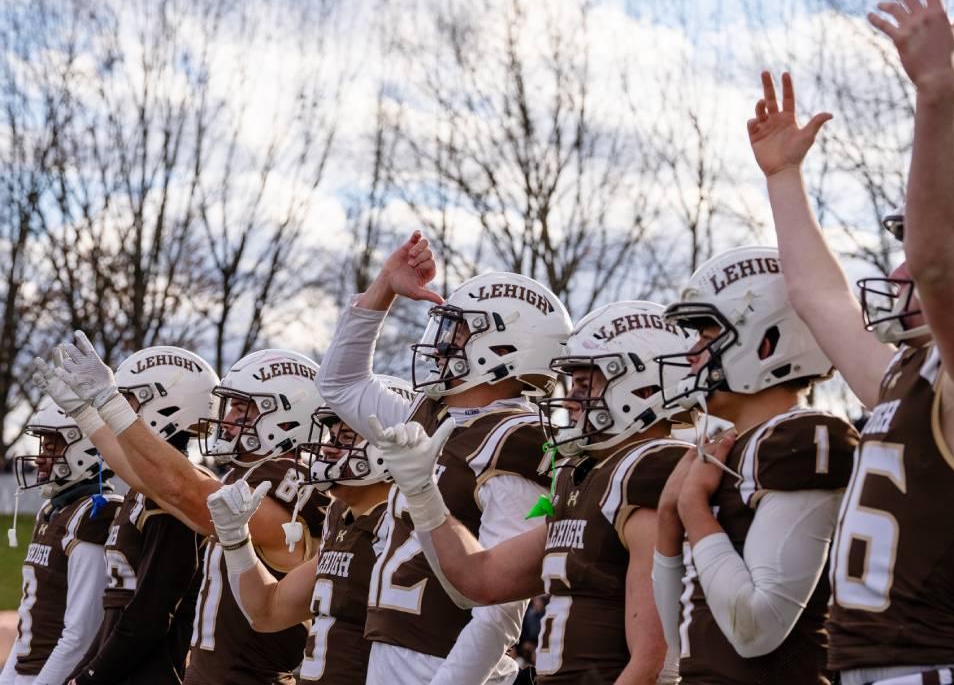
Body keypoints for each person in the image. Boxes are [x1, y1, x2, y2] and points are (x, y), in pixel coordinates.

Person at [750, 0, 954, 684]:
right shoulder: (916, 375)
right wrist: (783, 182)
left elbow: (938, 264)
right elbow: (819, 297)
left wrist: (936, 96)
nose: (898, 276)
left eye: (912, 259)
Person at [369, 300, 695, 684]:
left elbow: (655, 661)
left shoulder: (648, 472)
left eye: (586, 384)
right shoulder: (588, 480)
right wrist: (422, 491)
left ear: (644, 389)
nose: (571, 399)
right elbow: (481, 580)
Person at [315, 231, 573, 685]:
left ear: (503, 349)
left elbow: (500, 611)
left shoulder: (514, 438)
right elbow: (339, 383)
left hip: (447, 666)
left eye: (458, 329)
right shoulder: (431, 416)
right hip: (396, 659)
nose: (440, 341)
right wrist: (384, 288)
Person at [36, 335, 329, 685]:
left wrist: (112, 404)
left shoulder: (287, 481)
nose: (228, 418)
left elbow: (184, 491)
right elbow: (151, 483)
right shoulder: (247, 476)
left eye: (243, 409)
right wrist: (87, 412)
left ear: (287, 417)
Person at [652, 245, 858, 684]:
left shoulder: (804, 437)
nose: (692, 352)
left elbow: (756, 629)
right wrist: (670, 524)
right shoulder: (724, 447)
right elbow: (679, 637)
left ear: (768, 342)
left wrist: (694, 510)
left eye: (708, 334)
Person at [202, 376, 412, 685]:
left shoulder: (405, 523)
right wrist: (236, 540)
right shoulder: (342, 517)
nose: (328, 449)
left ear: (392, 443)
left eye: (346, 437)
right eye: (332, 436)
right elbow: (267, 612)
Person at [71, 346, 218, 685]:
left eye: (128, 403)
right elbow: (119, 611)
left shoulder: (175, 500)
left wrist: (92, 675)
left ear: (165, 408)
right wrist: (85, 670)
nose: (117, 413)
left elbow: (150, 616)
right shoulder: (142, 489)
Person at [0, 399, 121, 685]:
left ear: (86, 450)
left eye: (52, 448)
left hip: (55, 674)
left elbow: (81, 633)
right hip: (28, 668)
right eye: (42, 447)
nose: (40, 457)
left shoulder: (93, 513)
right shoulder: (53, 511)